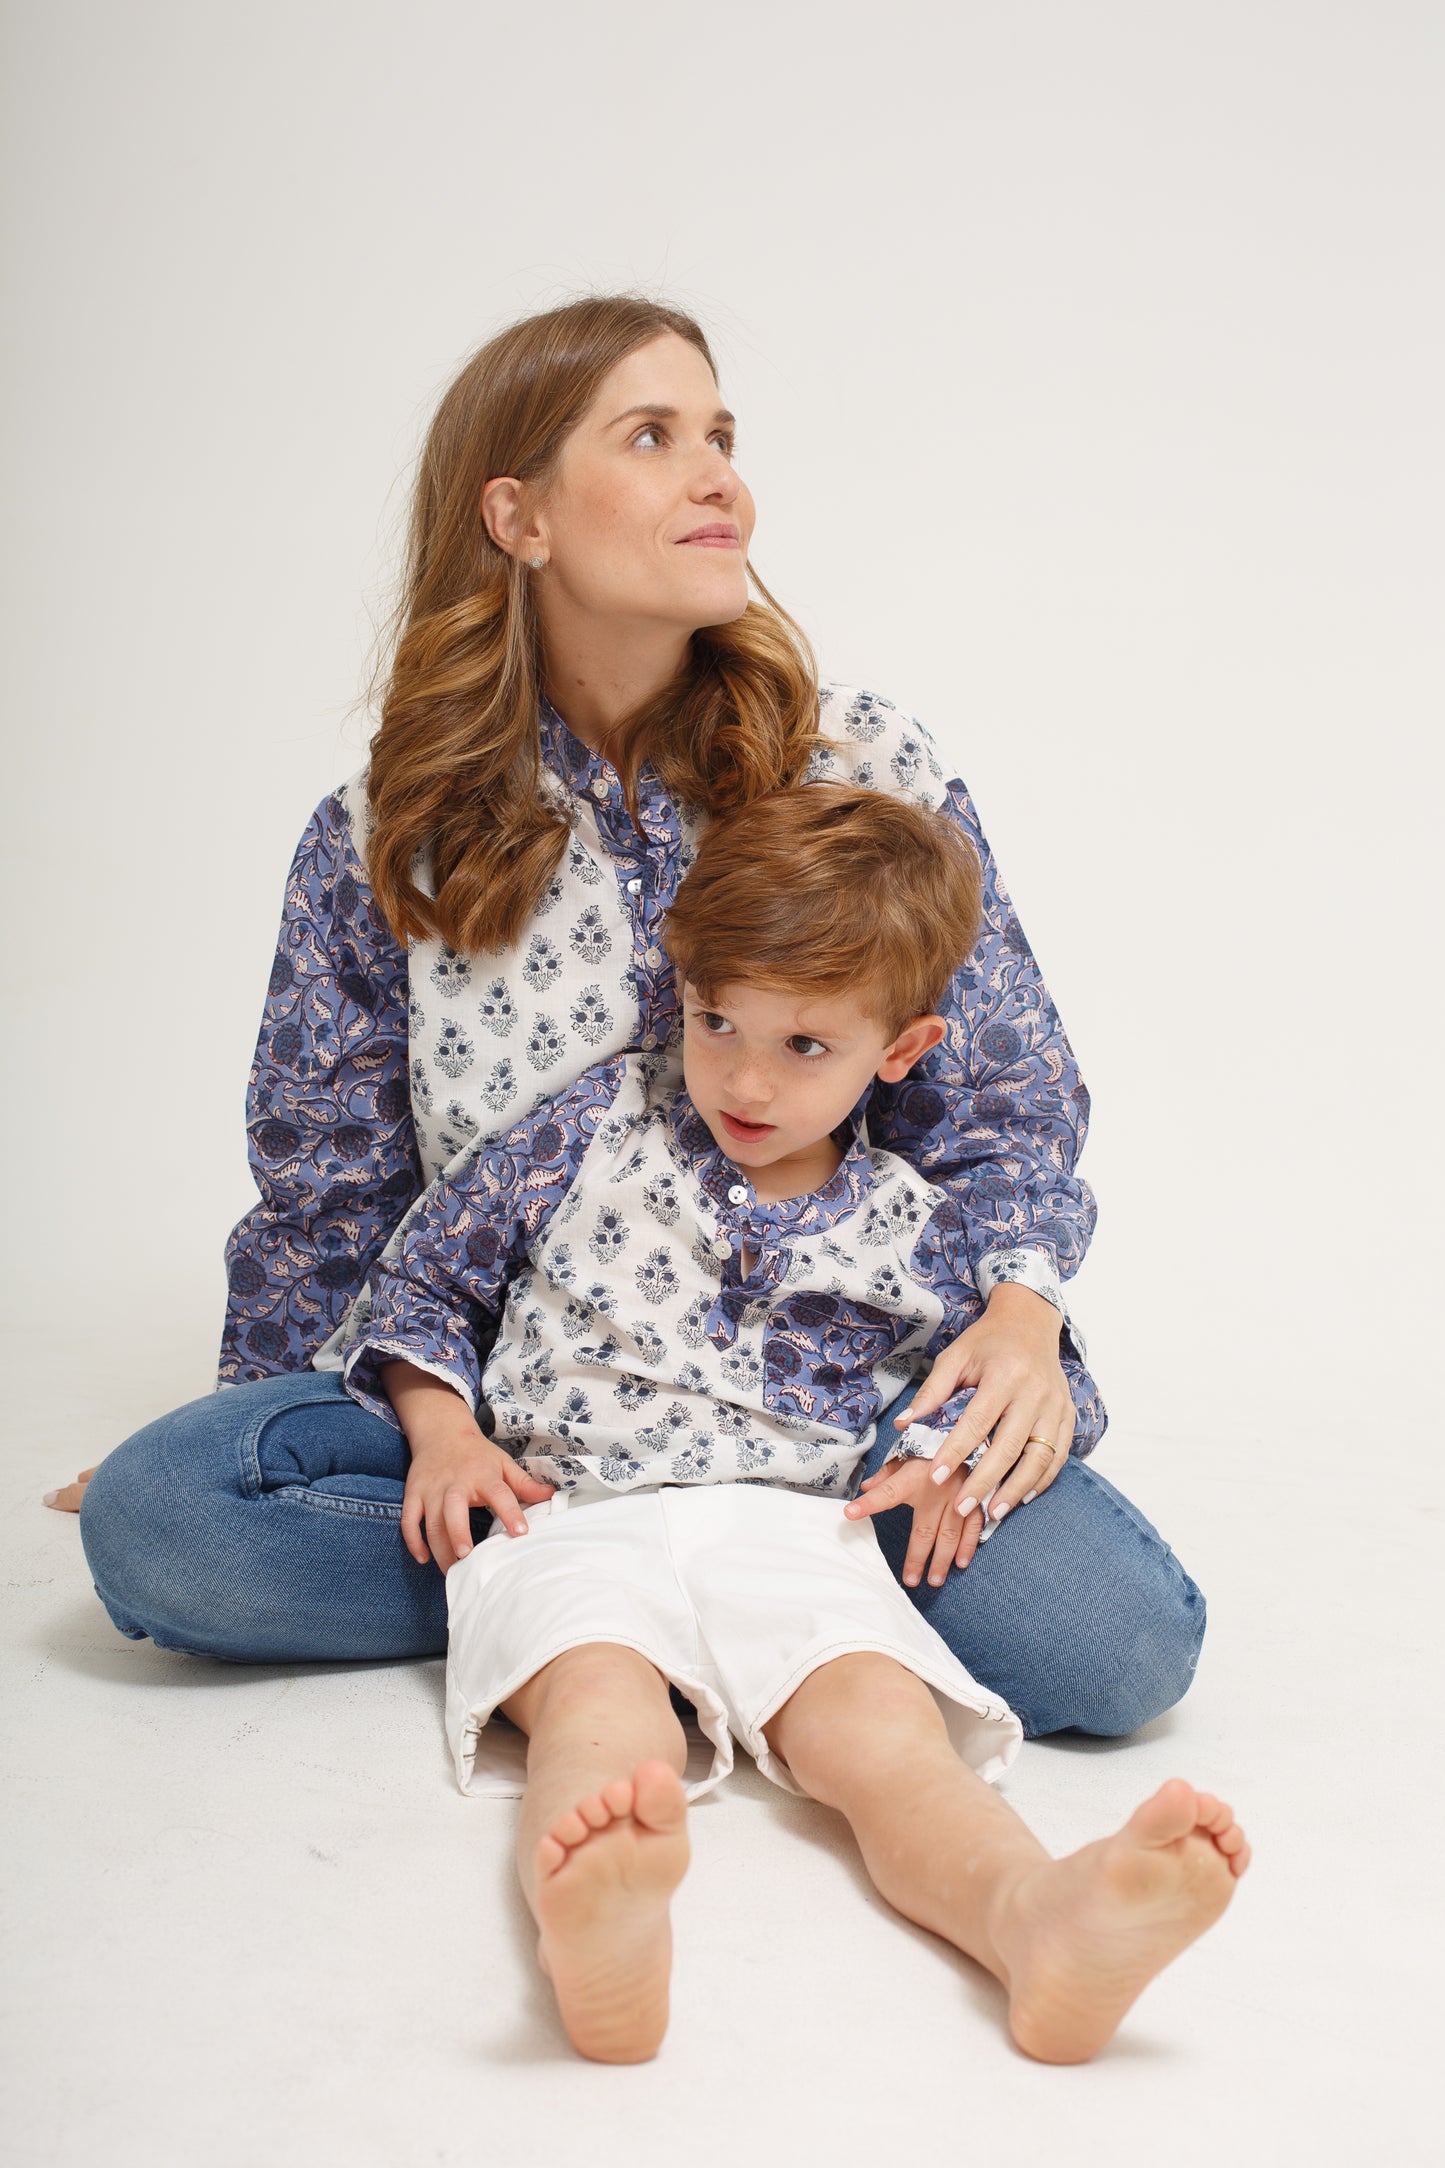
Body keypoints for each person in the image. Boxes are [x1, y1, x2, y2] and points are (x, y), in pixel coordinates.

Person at [59, 292, 1204, 1743]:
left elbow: (998, 1103)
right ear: (517, 514)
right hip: (525, 1425)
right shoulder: (385, 834)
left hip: (837, 1424)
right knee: (171, 1522)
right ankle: (673, 1592)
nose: (718, 474)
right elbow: (328, 1194)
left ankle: (635, 1597)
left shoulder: (863, 766)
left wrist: (1025, 1319)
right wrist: (255, 1438)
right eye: (653, 437)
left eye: (720, 434)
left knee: (1119, 1654)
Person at [336, 784, 1248, 2065]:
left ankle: (1033, 1917)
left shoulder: (909, 1221)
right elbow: (426, 1275)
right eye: (717, 1021)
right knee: (601, 1712)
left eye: (803, 1047)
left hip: (792, 1527)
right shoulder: (588, 1128)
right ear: (683, 994)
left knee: (888, 1744)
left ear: (902, 1048)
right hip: (566, 1513)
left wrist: (943, 1466)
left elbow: (1035, 1389)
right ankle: (600, 1918)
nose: (745, 1078)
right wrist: (439, 1431)